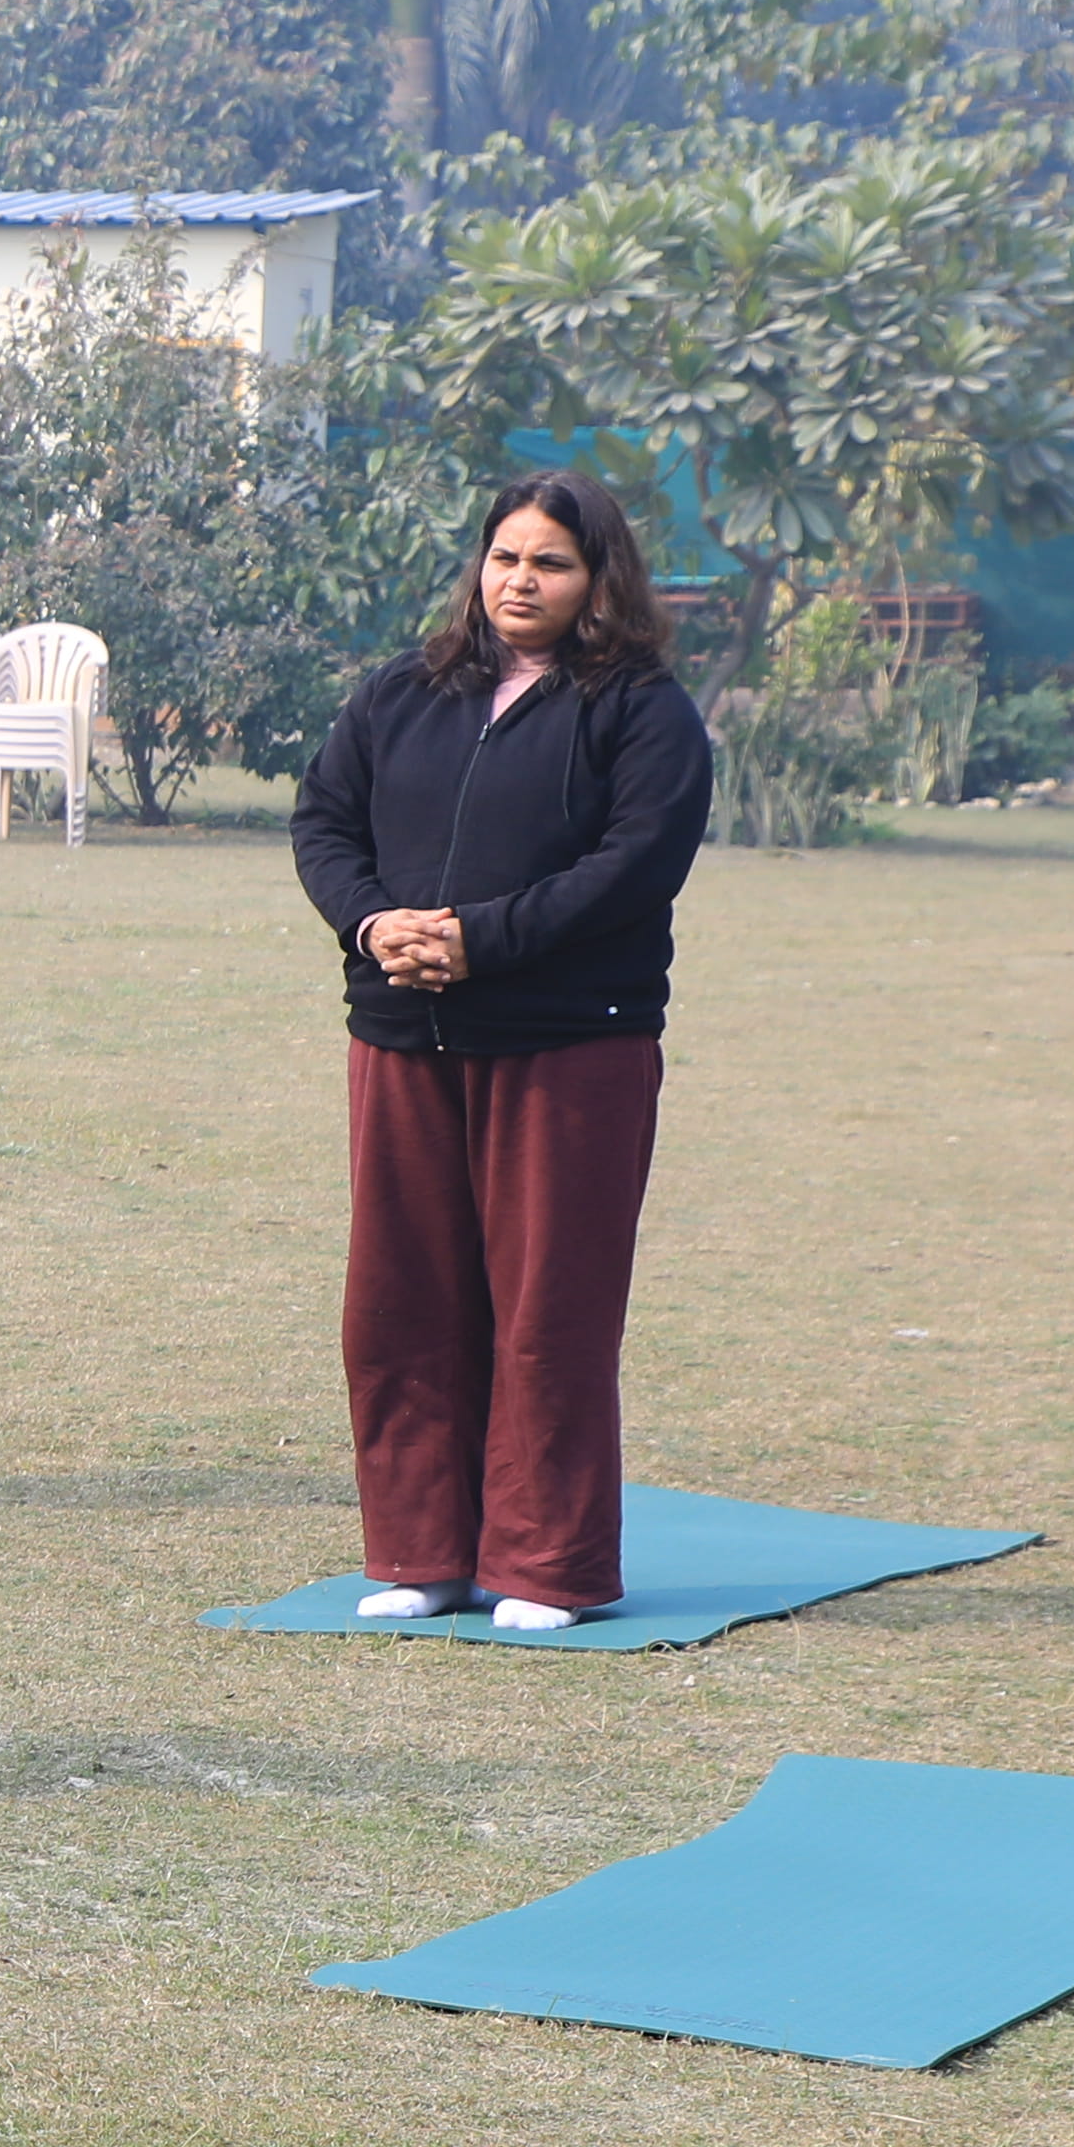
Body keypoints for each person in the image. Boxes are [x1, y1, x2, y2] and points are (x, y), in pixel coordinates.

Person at [287, 469, 715, 1631]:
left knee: (547, 1309)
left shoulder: (644, 712)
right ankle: (422, 1552)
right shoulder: (403, 692)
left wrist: (482, 940)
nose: (521, 581)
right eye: (506, 557)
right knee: (400, 1304)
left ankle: (544, 1564)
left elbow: (632, 866)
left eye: (551, 563)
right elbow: (324, 820)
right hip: (402, 1033)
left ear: (600, 580)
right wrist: (374, 925)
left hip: (568, 1046)